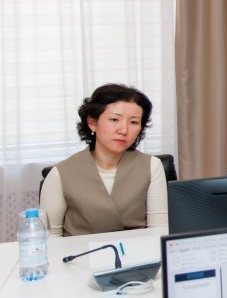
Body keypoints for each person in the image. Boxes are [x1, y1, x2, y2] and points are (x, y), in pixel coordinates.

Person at [39, 83, 167, 237]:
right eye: (114, 119)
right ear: (92, 123)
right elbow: (49, 238)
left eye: (133, 122)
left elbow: (159, 231)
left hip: (137, 251)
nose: (123, 130)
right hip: (79, 252)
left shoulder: (152, 166)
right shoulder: (60, 174)